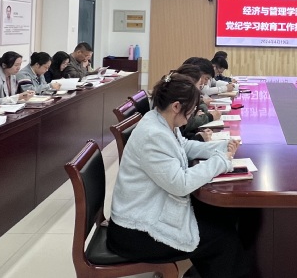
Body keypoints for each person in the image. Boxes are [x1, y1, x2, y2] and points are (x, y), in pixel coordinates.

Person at [106, 72, 248, 278]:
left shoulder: (159, 120)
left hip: (149, 208)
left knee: (222, 218)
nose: (193, 114)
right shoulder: (153, 135)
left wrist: (219, 147)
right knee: (223, 239)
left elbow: (184, 146)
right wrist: (220, 161)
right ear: (176, 106)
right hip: (135, 230)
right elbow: (180, 184)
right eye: (191, 110)